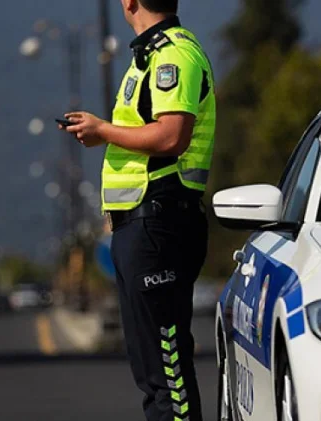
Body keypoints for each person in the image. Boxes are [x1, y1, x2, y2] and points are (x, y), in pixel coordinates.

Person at [59, 0, 216, 420]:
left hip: (160, 224)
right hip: (140, 226)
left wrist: (102, 130)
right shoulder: (150, 55)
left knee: (168, 372)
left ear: (129, 2)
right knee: (152, 374)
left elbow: (170, 137)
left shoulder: (173, 55)